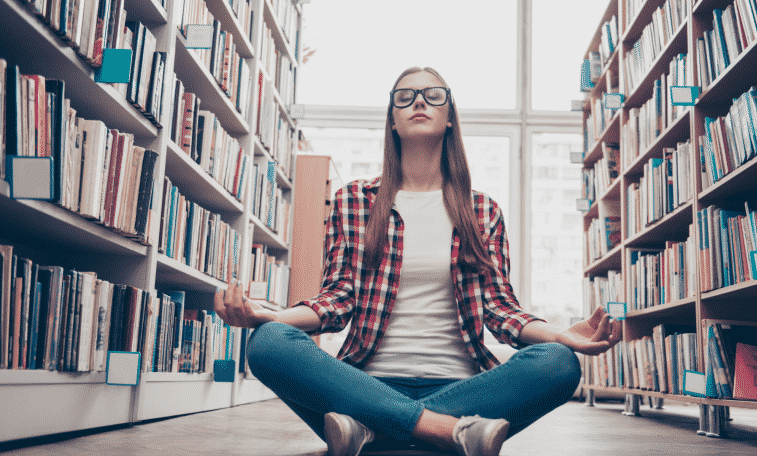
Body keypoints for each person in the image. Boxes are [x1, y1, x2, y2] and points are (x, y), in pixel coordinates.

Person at [214, 67, 622, 456]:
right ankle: (448, 431)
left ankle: (370, 429)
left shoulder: (482, 211)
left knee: (559, 364)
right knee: (267, 344)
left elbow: (502, 312)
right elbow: (336, 302)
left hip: (464, 386)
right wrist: (266, 318)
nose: (419, 102)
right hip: (363, 382)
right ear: (393, 120)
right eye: (405, 97)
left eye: (433, 95)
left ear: (449, 118)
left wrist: (561, 336)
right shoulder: (354, 202)